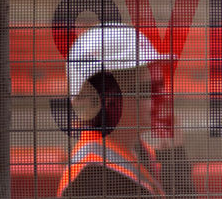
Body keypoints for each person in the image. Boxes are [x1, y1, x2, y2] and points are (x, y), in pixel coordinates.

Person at [57, 23, 195, 198]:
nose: (163, 98)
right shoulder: (97, 178)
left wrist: (173, 157)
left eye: (160, 86)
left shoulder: (131, 150)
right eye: (146, 90)